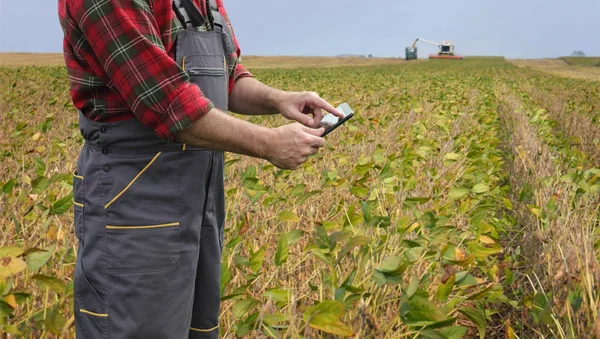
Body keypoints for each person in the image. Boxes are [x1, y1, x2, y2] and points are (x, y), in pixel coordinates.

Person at [58, 0, 342, 338]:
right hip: (134, 201)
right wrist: (268, 144)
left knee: (197, 328)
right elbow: (167, 101)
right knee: (134, 327)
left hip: (199, 201)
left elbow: (229, 76)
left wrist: (278, 99)